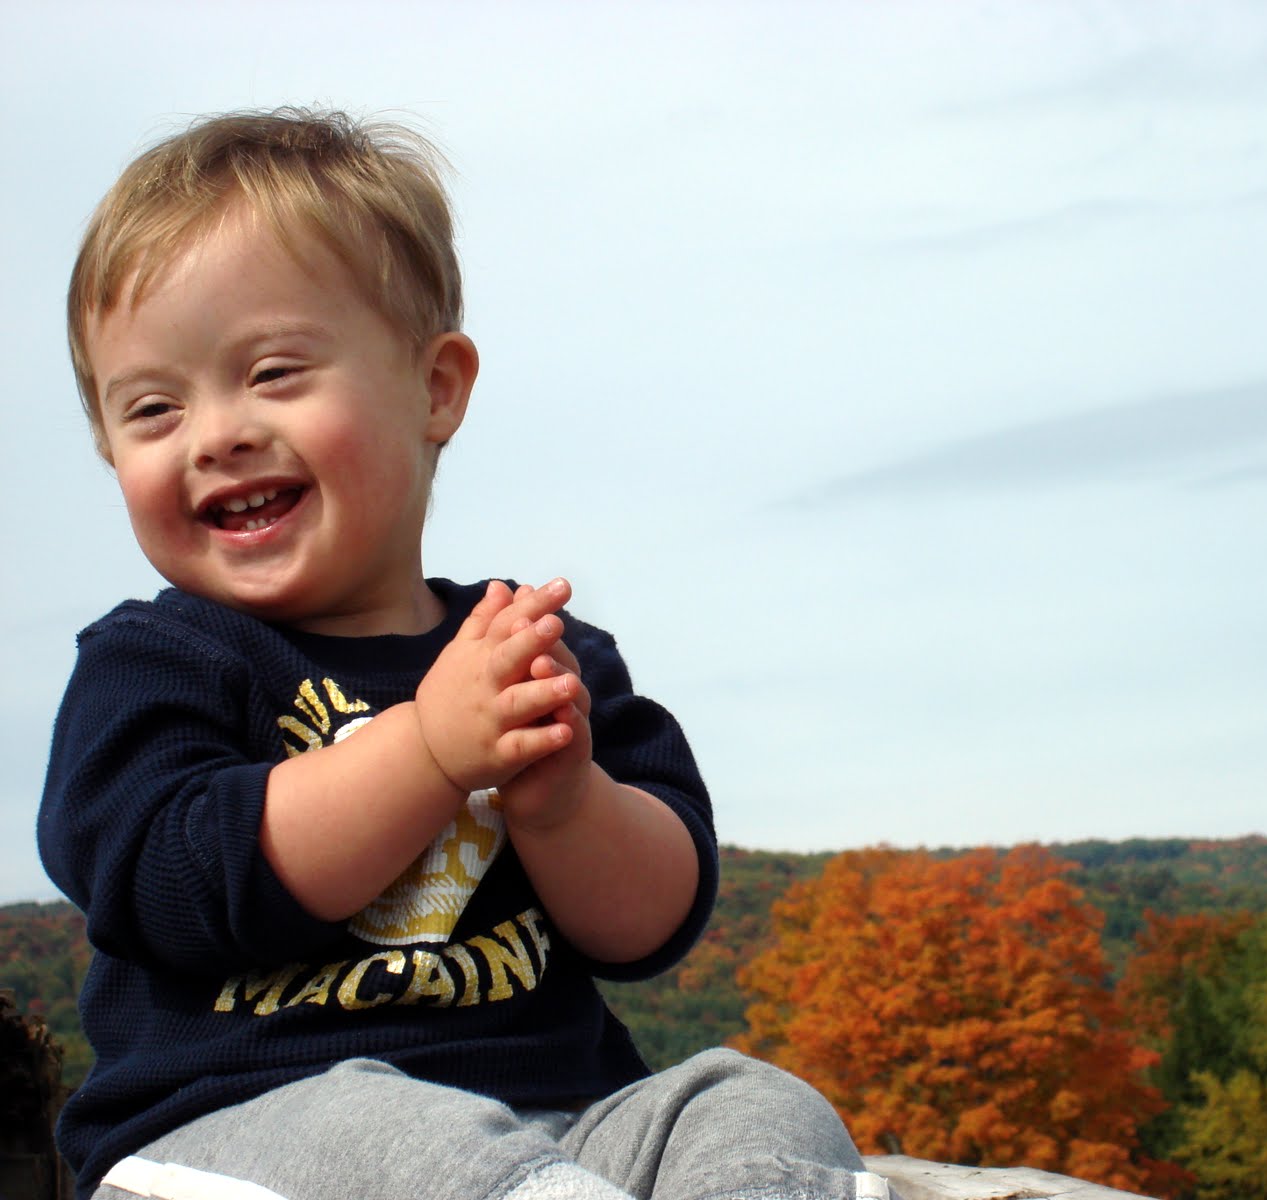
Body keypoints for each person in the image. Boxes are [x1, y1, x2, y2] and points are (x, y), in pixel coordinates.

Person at [38, 107, 884, 1200]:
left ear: (435, 388)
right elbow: (171, 882)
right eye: (153, 408)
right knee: (387, 1124)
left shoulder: (530, 651)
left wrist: (566, 803)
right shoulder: (157, 662)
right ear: (108, 447)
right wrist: (427, 752)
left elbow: (651, 925)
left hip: (562, 1120)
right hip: (240, 1124)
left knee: (748, 1099)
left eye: (275, 372)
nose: (216, 434)